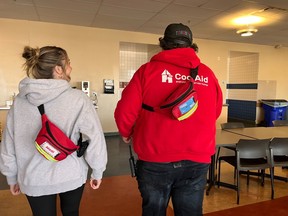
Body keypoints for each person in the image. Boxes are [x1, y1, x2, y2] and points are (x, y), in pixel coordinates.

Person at [114, 23, 223, 216]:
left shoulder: (147, 71)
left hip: (155, 159)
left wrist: (126, 132)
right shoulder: (208, 74)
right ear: (191, 45)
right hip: (197, 159)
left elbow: (125, 111)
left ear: (164, 44)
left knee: (154, 211)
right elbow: (214, 112)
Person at [0, 46, 107, 216]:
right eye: (69, 63)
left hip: (33, 177)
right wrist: (97, 170)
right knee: (71, 212)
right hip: (70, 174)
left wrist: (11, 176)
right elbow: (95, 138)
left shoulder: (20, 102)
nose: (71, 67)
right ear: (58, 69)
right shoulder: (78, 99)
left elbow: (8, 142)